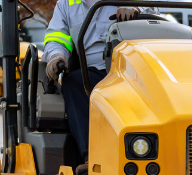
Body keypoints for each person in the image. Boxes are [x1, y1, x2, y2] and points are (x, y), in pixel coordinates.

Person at [42, 1, 155, 163]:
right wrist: (56, 56)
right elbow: (57, 37)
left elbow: (153, 8)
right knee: (73, 83)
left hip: (131, 67)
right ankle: (92, 160)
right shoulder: (66, 4)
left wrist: (136, 9)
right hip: (92, 72)